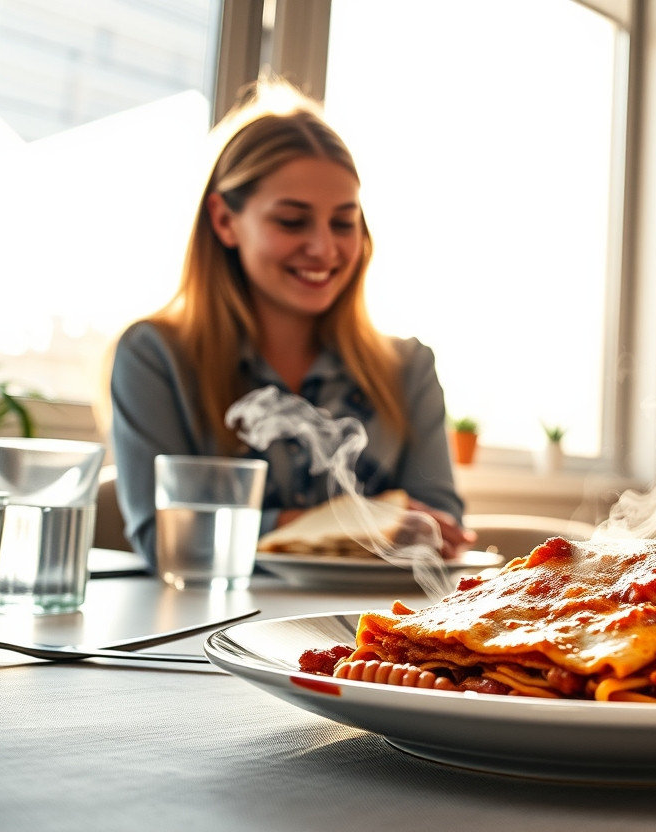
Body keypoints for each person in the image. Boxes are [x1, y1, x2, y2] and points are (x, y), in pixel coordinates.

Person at [109, 84, 473, 569]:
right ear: (224, 220)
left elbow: (441, 523)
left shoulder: (408, 367)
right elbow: (166, 537)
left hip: (368, 633)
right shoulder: (156, 356)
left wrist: (272, 525)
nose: (324, 249)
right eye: (292, 221)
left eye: (343, 223)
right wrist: (358, 522)